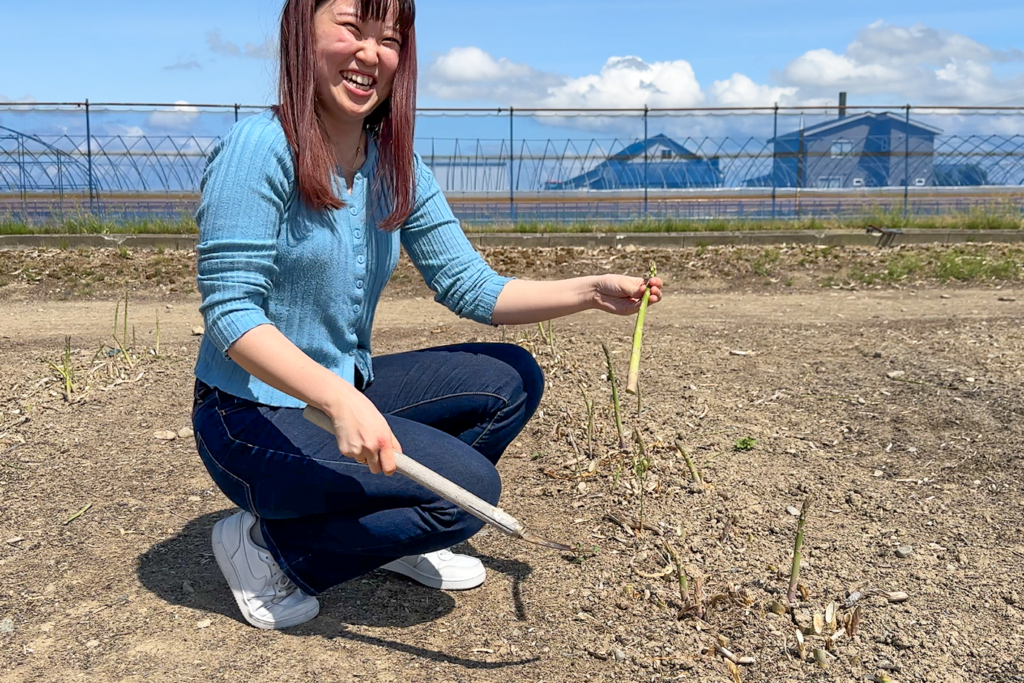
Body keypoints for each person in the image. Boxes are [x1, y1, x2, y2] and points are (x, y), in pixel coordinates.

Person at [190, 0, 664, 631]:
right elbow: (230, 310)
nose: (370, 54)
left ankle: (389, 535)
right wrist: (337, 399)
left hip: (339, 391)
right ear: (302, 32)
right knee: (465, 499)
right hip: (247, 415)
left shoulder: (394, 162)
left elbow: (471, 285)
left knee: (510, 379)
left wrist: (589, 292)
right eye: (351, 29)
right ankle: (271, 551)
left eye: (388, 39)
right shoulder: (260, 147)